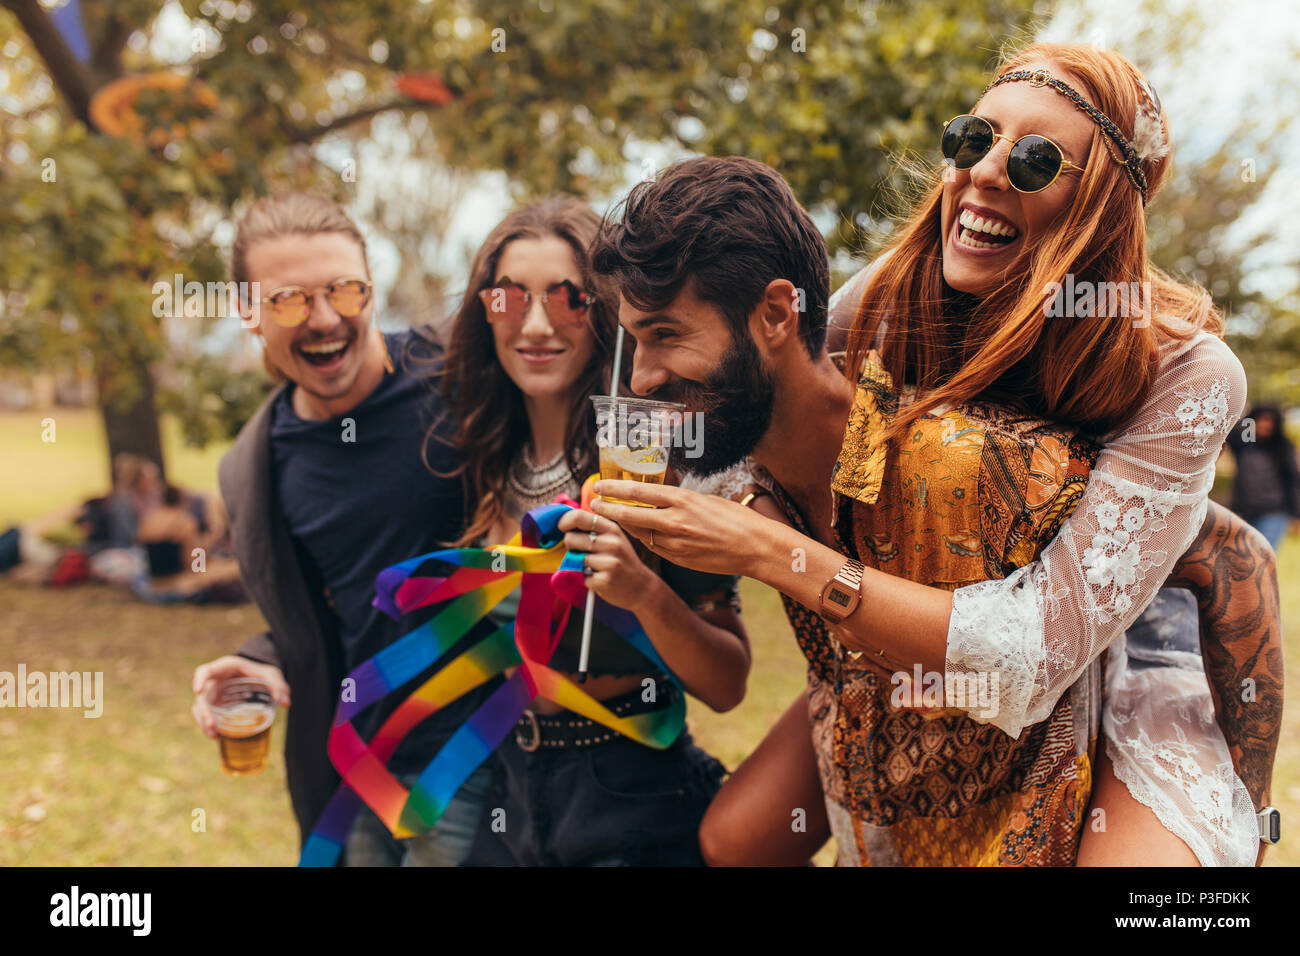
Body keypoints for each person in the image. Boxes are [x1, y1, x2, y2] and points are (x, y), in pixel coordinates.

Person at [588, 46, 1279, 868]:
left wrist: (772, 550)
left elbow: (1043, 649)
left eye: (1032, 159)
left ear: (1097, 205)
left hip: (1108, 634)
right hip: (911, 622)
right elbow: (762, 405)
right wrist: (750, 508)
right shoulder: (884, 301)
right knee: (734, 840)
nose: (983, 171)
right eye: (971, 138)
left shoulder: (1185, 369)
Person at [427, 196, 752, 866]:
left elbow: (728, 682)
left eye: (568, 299)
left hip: (631, 799)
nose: (537, 324)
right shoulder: (478, 460)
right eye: (511, 300)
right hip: (511, 799)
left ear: (602, 311)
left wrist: (645, 592)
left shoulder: (648, 465)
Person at [190, 192, 493, 866]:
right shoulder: (256, 463)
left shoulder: (463, 374)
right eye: (290, 300)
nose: (325, 319)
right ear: (247, 312)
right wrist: (262, 658)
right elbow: (326, 609)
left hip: (485, 755)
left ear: (370, 289)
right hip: (364, 767)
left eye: (344, 291)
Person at [1226, 404, 1299, 551]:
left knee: (1262, 556)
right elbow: (1231, 432)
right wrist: (1249, 422)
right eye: (1261, 419)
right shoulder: (1245, 446)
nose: (1265, 424)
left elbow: (1293, 481)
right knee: (1241, 557)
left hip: (1274, 512)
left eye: (1271, 421)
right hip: (1244, 511)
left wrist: (1297, 514)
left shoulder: (1282, 447)